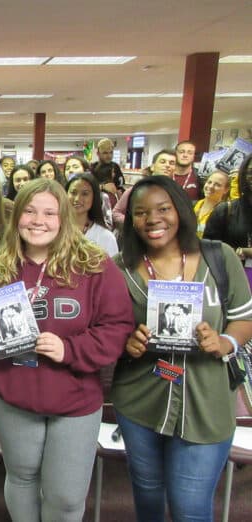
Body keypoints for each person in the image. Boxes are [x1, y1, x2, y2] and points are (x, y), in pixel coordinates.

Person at [0, 178, 133, 522]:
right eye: (29, 211)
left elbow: (117, 328)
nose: (38, 220)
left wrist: (69, 348)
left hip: (74, 396)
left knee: (67, 497)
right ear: (16, 217)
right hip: (12, 392)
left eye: (49, 212)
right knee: (23, 476)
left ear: (63, 218)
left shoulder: (95, 265)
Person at [111, 175, 252, 522]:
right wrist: (126, 342)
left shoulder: (219, 258)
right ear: (131, 220)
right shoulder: (120, 269)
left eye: (163, 209)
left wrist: (225, 341)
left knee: (190, 507)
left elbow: (244, 318)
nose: (153, 219)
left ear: (181, 210)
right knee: (147, 492)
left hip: (206, 403)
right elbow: (108, 328)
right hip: (140, 399)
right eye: (141, 212)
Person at [204, 153, 252, 288]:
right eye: (250, 173)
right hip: (233, 284)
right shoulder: (225, 210)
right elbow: (209, 251)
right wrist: (238, 251)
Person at [112, 149, 177, 228]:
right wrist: (136, 221)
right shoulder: (136, 190)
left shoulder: (176, 192)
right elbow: (116, 213)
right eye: (163, 162)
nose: (167, 165)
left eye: (172, 163)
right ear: (152, 167)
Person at [66, 173, 118, 256]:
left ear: (94, 197)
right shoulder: (55, 230)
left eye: (85, 194)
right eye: (73, 192)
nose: (77, 199)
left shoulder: (105, 237)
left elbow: (113, 268)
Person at [193, 170, 229, 238]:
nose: (211, 186)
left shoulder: (225, 212)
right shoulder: (193, 205)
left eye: (217, 185)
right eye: (209, 182)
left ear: (226, 190)